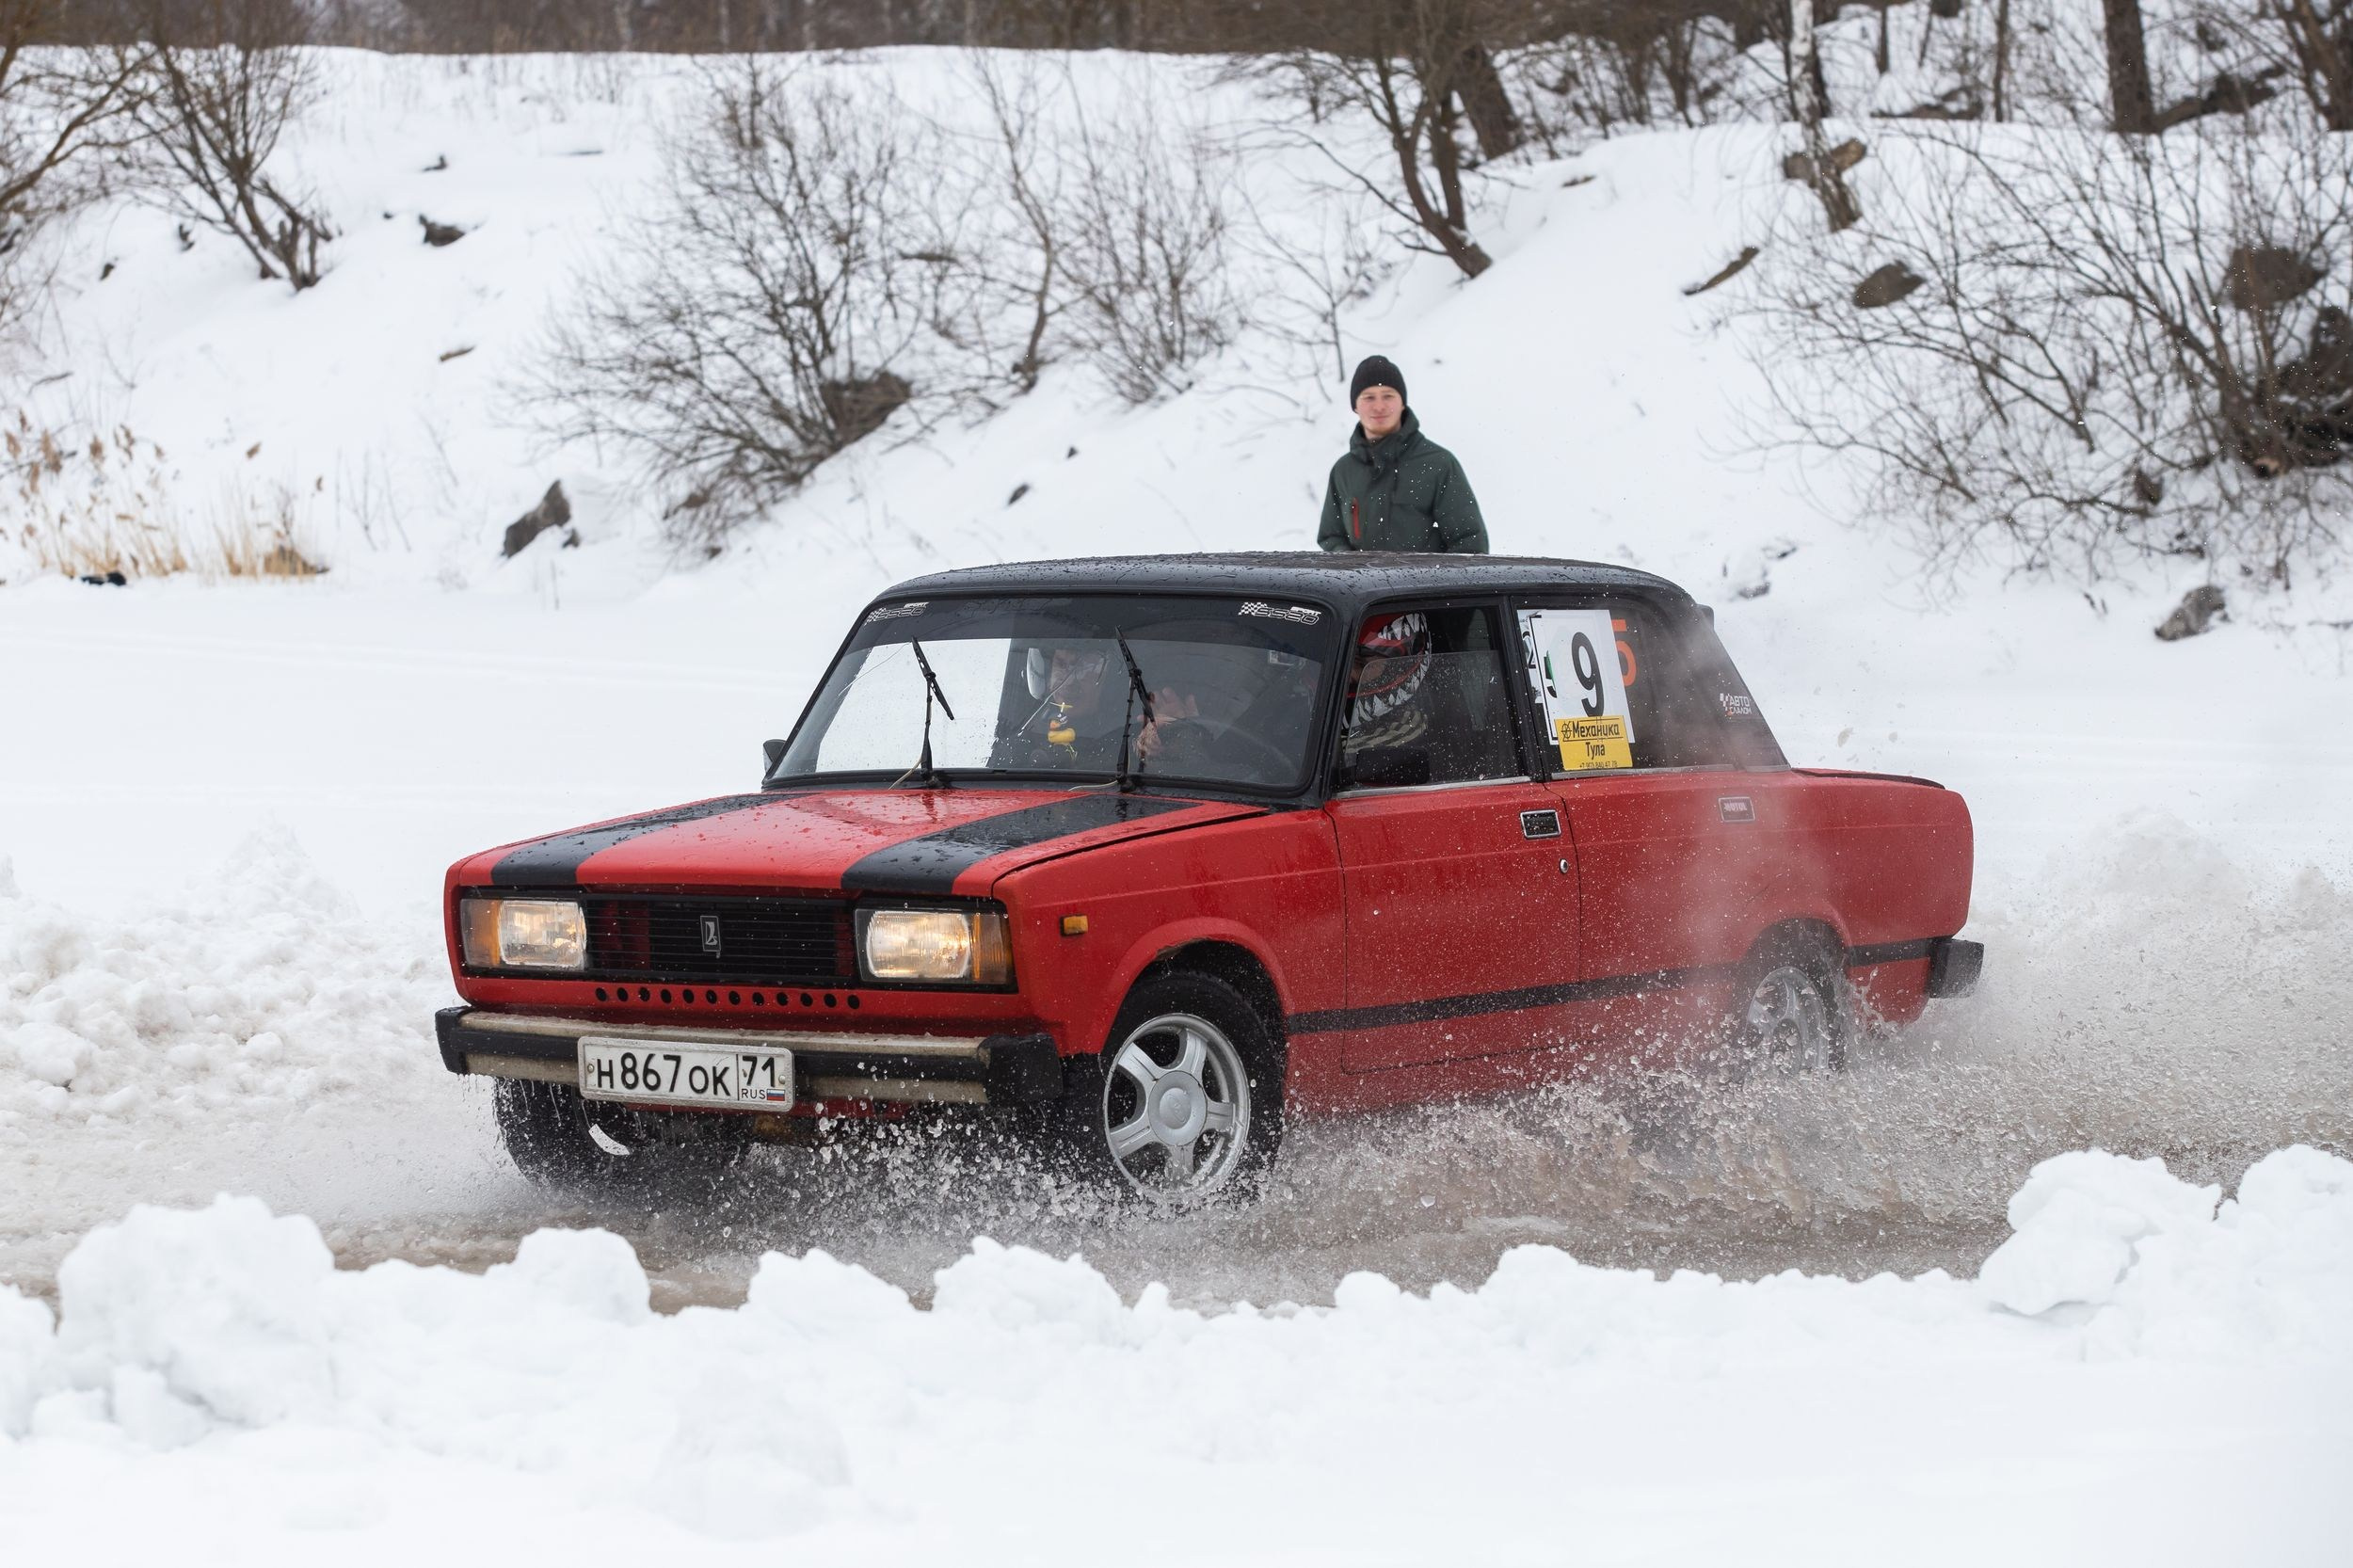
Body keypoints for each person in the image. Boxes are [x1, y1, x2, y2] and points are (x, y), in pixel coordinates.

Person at [1317, 355, 1488, 554]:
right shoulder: (1343, 470)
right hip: (1364, 586)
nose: (1379, 406)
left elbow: (1470, 544)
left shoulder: (1439, 464)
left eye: (1388, 395)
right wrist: (1351, 570)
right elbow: (1331, 537)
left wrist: (1435, 584)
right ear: (1355, 406)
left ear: (1403, 403)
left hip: (1426, 586)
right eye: (1369, 397)